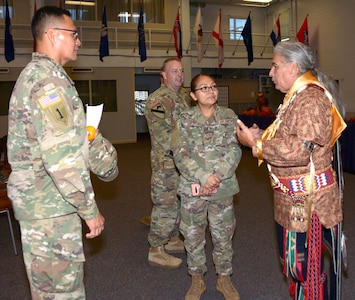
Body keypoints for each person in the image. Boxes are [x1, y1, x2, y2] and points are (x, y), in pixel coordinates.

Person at [7, 6, 118, 299]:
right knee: (63, 293)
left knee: (47, 292)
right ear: (53, 35)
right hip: (51, 211)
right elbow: (61, 159)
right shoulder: (48, 83)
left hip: (42, 207)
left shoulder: (41, 76)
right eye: (74, 34)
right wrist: (89, 210)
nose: (78, 41)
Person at [236, 41, 346, 300]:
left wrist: (256, 144)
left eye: (275, 67)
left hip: (309, 204)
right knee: (298, 267)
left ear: (293, 67)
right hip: (296, 201)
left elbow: (299, 150)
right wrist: (261, 135)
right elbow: (291, 138)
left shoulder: (310, 98)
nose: (271, 73)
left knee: (307, 267)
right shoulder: (297, 97)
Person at [171, 74, 242, 300]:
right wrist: (202, 176)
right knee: (193, 235)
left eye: (213, 87)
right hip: (194, 188)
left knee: (223, 235)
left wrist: (217, 175)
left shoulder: (229, 116)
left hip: (221, 187)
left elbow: (235, 149)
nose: (210, 91)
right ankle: (197, 279)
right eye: (203, 88)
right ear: (193, 95)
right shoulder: (183, 119)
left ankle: (224, 278)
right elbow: (179, 153)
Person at [144, 58, 190, 269]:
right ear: (163, 75)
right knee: (166, 205)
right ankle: (156, 249)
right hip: (167, 164)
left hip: (180, 163)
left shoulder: (179, 98)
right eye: (174, 71)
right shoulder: (159, 100)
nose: (179, 75)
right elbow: (164, 137)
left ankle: (171, 239)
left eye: (181, 71)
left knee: (177, 203)